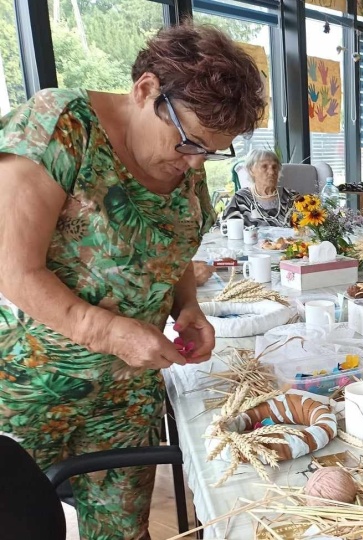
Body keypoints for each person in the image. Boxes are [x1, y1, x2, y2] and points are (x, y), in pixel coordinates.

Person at [0, 24, 266, 539]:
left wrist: (186, 306)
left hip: (124, 398)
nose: (194, 163)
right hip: (28, 389)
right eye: (189, 142)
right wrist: (109, 333)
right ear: (146, 91)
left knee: (122, 533)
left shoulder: (181, 157)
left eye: (210, 152)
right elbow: (12, 267)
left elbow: (172, 249)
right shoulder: (61, 127)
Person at [222, 149, 298, 227]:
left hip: (288, 239)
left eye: (275, 167)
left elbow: (306, 228)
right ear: (251, 170)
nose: (272, 172)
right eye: (264, 166)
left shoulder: (291, 196)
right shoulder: (241, 199)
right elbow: (221, 228)